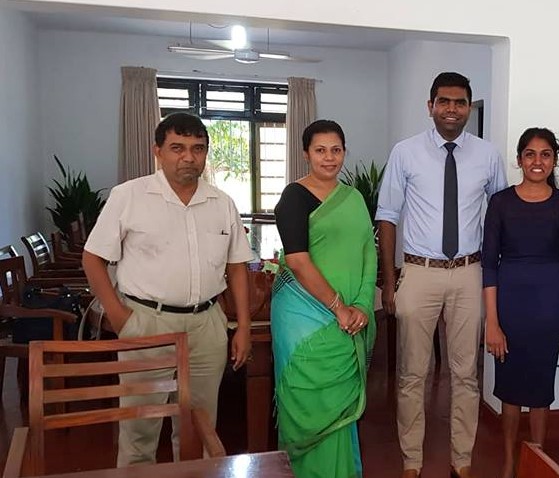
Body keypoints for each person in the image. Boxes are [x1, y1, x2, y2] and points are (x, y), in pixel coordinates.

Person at [81, 112, 253, 466]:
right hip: (147, 323)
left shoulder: (222, 203)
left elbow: (237, 267)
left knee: (201, 426)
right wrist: (121, 317)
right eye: (177, 148)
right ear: (157, 151)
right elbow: (92, 259)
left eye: (198, 148)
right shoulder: (129, 195)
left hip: (207, 326)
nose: (188, 157)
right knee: (140, 429)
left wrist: (244, 328)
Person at [376, 72, 508, 478]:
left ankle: (462, 460)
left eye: (460, 102)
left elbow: (500, 214)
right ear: (430, 106)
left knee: (466, 373)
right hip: (419, 272)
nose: (452, 109)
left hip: (468, 272)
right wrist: (389, 281)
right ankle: (412, 461)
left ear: (469, 107)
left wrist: (496, 279)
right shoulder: (405, 152)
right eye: (444, 102)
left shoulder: (487, 155)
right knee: (413, 372)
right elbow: (387, 216)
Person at [271, 120, 377, 478]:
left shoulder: (355, 198)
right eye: (320, 150)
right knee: (309, 400)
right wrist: (339, 308)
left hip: (350, 316)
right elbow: (298, 260)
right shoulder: (293, 197)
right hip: (303, 318)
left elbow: (368, 253)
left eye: (336, 150)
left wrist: (362, 305)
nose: (329, 158)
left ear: (344, 152)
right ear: (306, 154)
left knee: (339, 407)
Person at [481, 127, 559, 478]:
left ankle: (538, 461)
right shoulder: (501, 202)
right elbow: (488, 264)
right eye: (530, 154)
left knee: (541, 387)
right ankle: (509, 462)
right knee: (509, 386)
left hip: (547, 305)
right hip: (508, 302)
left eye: (545, 154)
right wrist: (491, 322)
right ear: (519, 159)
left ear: (554, 159)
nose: (537, 161)